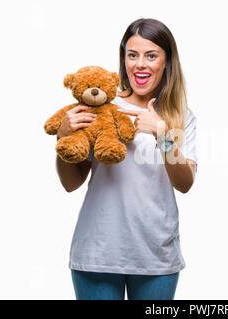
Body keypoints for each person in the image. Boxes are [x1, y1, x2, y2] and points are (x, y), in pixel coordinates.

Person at [55, 18, 197, 300]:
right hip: (97, 251)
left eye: (151, 55)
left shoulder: (181, 115)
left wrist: (162, 134)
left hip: (157, 255)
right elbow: (71, 183)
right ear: (124, 60)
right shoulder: (98, 105)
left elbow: (185, 183)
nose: (140, 64)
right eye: (132, 55)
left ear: (166, 62)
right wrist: (62, 138)